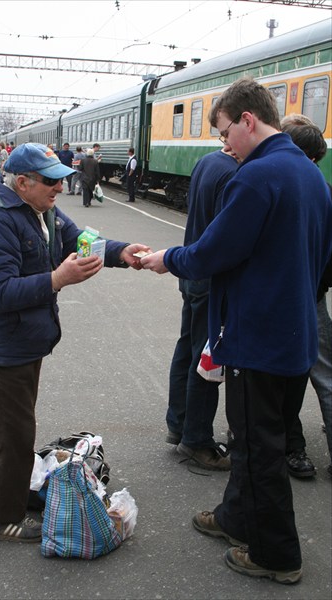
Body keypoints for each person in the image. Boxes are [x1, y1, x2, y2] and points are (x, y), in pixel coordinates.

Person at [141, 77, 332, 584]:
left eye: (226, 132)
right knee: (257, 439)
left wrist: (166, 259)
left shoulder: (257, 175)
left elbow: (212, 251)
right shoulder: (311, 174)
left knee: (256, 446)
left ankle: (276, 554)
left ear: (248, 120)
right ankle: (235, 517)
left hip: (258, 338)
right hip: (295, 334)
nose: (225, 145)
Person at [0, 142, 150, 543]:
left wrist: (122, 253)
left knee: (6, 414)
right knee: (17, 429)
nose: (60, 189)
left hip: (27, 338)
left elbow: (78, 239)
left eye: (62, 180)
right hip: (6, 341)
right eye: (51, 182)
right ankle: (0, 518)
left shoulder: (40, 210)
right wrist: (57, 279)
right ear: (23, 182)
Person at [167, 148, 238, 471]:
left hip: (192, 273)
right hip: (211, 279)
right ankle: (196, 440)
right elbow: (227, 238)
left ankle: (178, 424)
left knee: (186, 350)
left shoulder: (208, 161)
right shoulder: (232, 174)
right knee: (206, 360)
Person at [281, 117, 332, 478]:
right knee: (322, 377)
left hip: (289, 300)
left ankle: (291, 448)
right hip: (314, 298)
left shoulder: (275, 186)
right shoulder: (323, 188)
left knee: (280, 380)